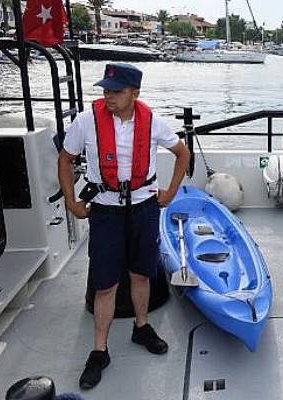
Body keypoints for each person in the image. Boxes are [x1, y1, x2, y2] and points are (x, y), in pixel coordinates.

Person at [57, 63, 190, 389]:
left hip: (144, 209)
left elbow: (181, 153)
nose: (108, 96)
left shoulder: (153, 122)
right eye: (105, 90)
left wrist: (170, 192)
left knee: (142, 273)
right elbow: (65, 159)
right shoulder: (86, 121)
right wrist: (71, 201)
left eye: (116, 91)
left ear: (135, 93)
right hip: (105, 212)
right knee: (105, 285)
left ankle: (141, 327)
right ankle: (99, 350)